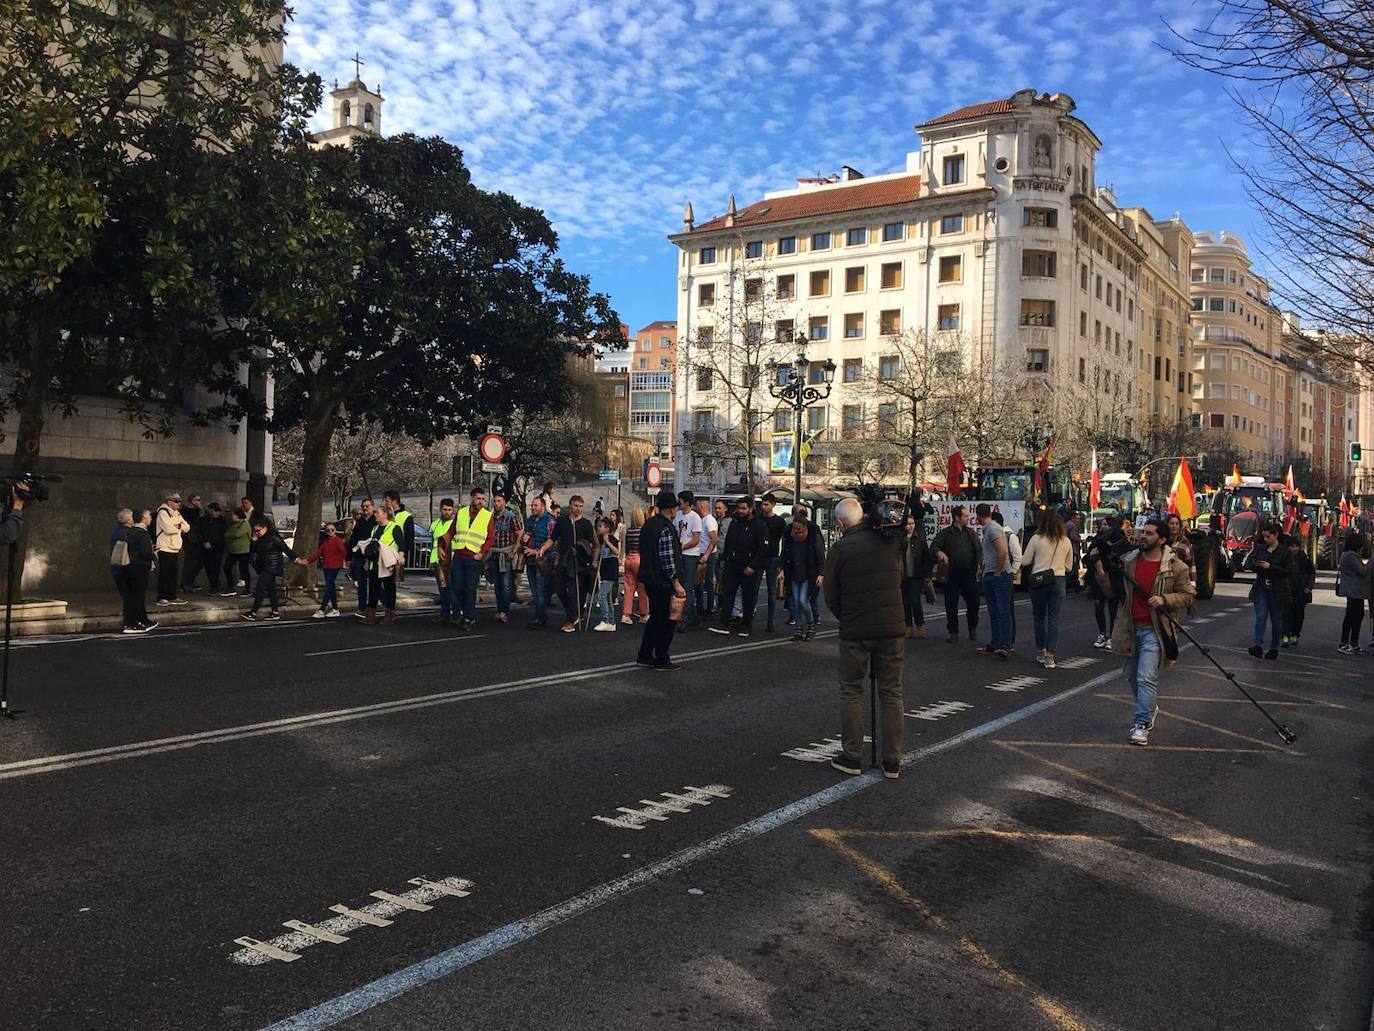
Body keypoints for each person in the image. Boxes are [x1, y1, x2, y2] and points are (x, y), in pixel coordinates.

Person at [1093, 516, 1196, 745]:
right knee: (1131, 675)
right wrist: (1100, 571)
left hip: (1155, 630)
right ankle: (1149, 707)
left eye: (1149, 533)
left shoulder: (1174, 566)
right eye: (1143, 532)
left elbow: (1188, 596)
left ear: (1161, 539)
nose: (1143, 536)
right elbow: (1112, 592)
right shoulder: (1128, 561)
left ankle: (1141, 724)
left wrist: (1164, 599)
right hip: (1129, 628)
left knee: (1146, 676)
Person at [823, 497, 906, 780]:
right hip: (891, 627)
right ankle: (892, 760)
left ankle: (852, 755)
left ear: (839, 523)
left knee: (851, 690)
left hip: (856, 628)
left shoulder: (840, 548)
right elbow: (900, 577)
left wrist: (846, 616)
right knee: (891, 691)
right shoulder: (889, 542)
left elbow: (831, 595)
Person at [635, 490, 686, 670]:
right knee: (667, 621)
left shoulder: (648, 525)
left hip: (649, 578)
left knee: (655, 619)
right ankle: (662, 657)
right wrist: (677, 583)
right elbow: (667, 559)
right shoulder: (665, 528)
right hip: (663, 582)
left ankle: (645, 654)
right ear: (671, 509)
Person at [709, 495, 769, 638]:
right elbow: (729, 542)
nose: (741, 511)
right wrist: (726, 559)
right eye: (739, 508)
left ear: (751, 509)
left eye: (744, 508)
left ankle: (746, 625)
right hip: (733, 565)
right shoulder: (735, 523)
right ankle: (724, 622)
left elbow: (763, 549)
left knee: (748, 597)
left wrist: (753, 566)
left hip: (749, 567)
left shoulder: (759, 525)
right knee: (728, 593)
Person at [1022, 508, 1074, 669]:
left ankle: (1040, 650)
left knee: (1039, 617)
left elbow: (1024, 561)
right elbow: (1069, 567)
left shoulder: (1036, 539)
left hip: (1039, 580)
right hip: (1058, 580)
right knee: (1054, 619)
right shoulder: (1065, 541)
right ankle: (1050, 656)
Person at [932, 505, 980, 642]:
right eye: (965, 516)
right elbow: (934, 546)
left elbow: (978, 550)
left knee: (974, 602)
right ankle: (953, 632)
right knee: (951, 604)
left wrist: (978, 565)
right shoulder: (946, 533)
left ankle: (972, 629)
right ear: (957, 518)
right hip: (952, 574)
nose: (968, 518)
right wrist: (939, 552)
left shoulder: (970, 533)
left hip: (968, 574)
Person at [451, 487, 494, 630]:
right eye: (478, 498)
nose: (481, 501)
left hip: (474, 557)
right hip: (459, 555)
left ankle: (468, 617)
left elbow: (490, 538)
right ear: (472, 498)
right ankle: (464, 613)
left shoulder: (487, 515)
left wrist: (481, 553)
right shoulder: (461, 512)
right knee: (457, 587)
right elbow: (452, 531)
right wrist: (441, 545)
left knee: (470, 589)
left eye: (483, 499)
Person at [781, 505, 824, 641]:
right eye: (794, 529)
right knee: (794, 602)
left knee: (803, 600)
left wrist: (821, 574)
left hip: (808, 573)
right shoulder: (789, 535)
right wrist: (781, 569)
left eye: (799, 529)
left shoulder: (812, 536)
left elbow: (820, 556)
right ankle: (799, 628)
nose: (796, 532)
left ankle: (810, 625)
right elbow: (784, 553)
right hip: (793, 571)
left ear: (805, 527)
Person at [1247, 522, 1289, 660]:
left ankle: (1274, 648)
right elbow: (1250, 563)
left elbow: (1288, 571)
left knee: (1276, 621)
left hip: (1277, 589)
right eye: (1264, 537)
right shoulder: (1261, 549)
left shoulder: (1284, 551)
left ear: (1276, 535)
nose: (1266, 540)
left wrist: (1270, 567)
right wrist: (1256, 565)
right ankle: (1258, 646)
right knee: (1261, 616)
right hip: (1262, 587)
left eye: (1268, 537)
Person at [553, 495, 594, 633]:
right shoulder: (561, 521)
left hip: (579, 562)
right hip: (564, 560)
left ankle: (570, 620)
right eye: (576, 506)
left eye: (581, 506)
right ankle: (574, 613)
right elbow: (554, 539)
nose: (578, 509)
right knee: (558, 587)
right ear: (570, 505)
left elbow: (593, 544)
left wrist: (592, 560)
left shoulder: (586, 524)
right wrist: (541, 549)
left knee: (574, 591)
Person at [242, 516, 295, 621]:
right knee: (271, 590)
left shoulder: (273, 536)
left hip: (271, 567)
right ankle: (275, 612)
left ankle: (253, 613)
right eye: (254, 531)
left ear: (265, 527)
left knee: (260, 589)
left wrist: (296, 558)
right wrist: (254, 540)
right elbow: (253, 551)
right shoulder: (261, 538)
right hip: (265, 566)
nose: (256, 533)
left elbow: (285, 548)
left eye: (258, 530)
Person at [975, 504, 1011, 658]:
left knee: (1001, 610)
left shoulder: (993, 528)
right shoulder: (989, 529)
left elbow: (1002, 551)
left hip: (998, 574)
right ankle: (996, 643)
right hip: (991, 573)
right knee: (995, 611)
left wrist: (998, 570)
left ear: (978, 516)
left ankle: (1004, 644)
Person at [360, 505, 404, 624]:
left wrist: (401, 556)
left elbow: (401, 544)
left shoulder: (394, 527)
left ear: (384, 514)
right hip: (374, 563)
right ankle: (370, 615)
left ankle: (389, 614)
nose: (375, 515)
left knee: (389, 589)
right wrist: (367, 561)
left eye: (377, 513)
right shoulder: (374, 528)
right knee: (373, 589)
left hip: (387, 564)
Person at [296, 521, 347, 618]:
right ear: (326, 532)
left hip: (335, 566)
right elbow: (318, 553)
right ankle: (335, 609)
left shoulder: (338, 541)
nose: (330, 532)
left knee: (328, 587)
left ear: (335, 530)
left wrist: (346, 560)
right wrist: (308, 561)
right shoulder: (325, 542)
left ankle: (322, 609)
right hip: (327, 566)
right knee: (330, 587)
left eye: (332, 530)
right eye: (328, 530)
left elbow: (343, 552)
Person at [121, 510, 157, 634]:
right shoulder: (142, 533)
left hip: (130, 566)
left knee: (133, 595)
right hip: (140, 566)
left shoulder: (130, 531)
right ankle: (131, 623)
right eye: (149, 517)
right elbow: (145, 552)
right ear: (143, 518)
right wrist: (153, 554)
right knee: (137, 595)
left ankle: (141, 620)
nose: (151, 519)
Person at [1089, 515, 1123, 649]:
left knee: (1113, 606)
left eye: (1106, 525)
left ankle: (1112, 635)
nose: (1103, 527)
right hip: (1098, 576)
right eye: (1102, 524)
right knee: (1098, 605)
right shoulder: (1098, 539)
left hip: (1114, 576)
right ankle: (1102, 633)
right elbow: (1088, 556)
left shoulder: (1119, 539)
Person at [522, 496, 555, 628]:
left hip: (543, 559)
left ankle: (540, 618)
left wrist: (537, 550)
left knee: (541, 589)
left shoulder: (549, 520)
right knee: (535, 590)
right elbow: (526, 536)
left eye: (536, 505)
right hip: (529, 559)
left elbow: (553, 540)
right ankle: (540, 614)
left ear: (542, 506)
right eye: (532, 505)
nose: (533, 508)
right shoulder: (530, 520)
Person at [489, 492, 523, 623]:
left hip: (506, 554)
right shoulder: (491, 518)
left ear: (504, 502)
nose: (496, 503)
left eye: (499, 501)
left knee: (506, 584)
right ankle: (499, 609)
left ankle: (504, 611)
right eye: (495, 501)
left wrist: (513, 551)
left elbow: (519, 534)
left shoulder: (511, 517)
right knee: (497, 585)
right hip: (494, 554)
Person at [990, 510, 1021, 649]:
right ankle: (999, 639)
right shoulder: (993, 535)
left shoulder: (1010, 536)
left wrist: (1012, 572)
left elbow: (1017, 557)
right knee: (997, 609)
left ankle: (1008, 641)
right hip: (995, 575)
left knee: (1006, 609)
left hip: (1005, 575)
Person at [673, 490, 703, 629]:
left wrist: (683, 546)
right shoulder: (678, 515)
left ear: (686, 502)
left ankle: (684, 618)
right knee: (680, 584)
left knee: (688, 586)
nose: (678, 503)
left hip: (691, 554)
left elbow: (696, 539)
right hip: (680, 553)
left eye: (680, 501)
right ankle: (692, 615)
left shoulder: (695, 517)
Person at [154, 492, 190, 606]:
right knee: (164, 573)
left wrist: (177, 526)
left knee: (173, 573)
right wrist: (179, 526)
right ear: (169, 501)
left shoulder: (177, 513)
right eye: (176, 501)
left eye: (179, 501)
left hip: (175, 547)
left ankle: (172, 595)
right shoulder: (163, 512)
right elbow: (169, 529)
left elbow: (187, 527)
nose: (179, 503)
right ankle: (162, 596)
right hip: (165, 547)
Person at [1337, 532, 1370, 653]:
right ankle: (1345, 643)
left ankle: (1353, 643)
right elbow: (1363, 571)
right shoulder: (1350, 556)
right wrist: (1371, 562)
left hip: (1355, 591)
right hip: (1353, 591)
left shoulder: (1348, 555)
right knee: (1352, 617)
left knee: (1356, 616)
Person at [759, 494, 788, 632]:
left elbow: (784, 540)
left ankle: (770, 620)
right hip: (759, 557)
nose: (763, 507)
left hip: (772, 557)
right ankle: (749, 615)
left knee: (771, 591)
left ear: (773, 505)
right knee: (752, 589)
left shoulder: (779, 522)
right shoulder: (758, 519)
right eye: (762, 504)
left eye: (766, 504)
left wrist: (781, 561)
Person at [900, 512, 931, 639]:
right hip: (903, 575)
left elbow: (927, 558)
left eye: (912, 524)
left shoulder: (920, 539)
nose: (911, 526)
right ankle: (908, 626)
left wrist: (926, 573)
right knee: (905, 602)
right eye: (908, 524)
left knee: (914, 600)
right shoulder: (900, 539)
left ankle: (920, 625)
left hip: (916, 575)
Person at [1282, 532, 1315, 648]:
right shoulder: (1283, 558)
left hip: (1301, 591)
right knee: (1286, 614)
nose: (1294, 549)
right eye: (1291, 546)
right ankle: (1285, 635)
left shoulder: (1304, 559)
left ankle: (1295, 634)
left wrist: (1308, 587)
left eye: (1296, 546)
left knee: (1298, 615)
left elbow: (1311, 574)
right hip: (1286, 590)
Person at [429, 499, 458, 624]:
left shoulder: (455, 525)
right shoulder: (435, 524)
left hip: (449, 561)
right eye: (445, 509)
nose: (447, 512)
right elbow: (433, 543)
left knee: (451, 589)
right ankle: (445, 612)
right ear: (441, 509)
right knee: (442, 589)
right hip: (437, 561)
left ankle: (456, 613)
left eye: (449, 510)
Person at [620, 506, 649, 625]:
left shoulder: (629, 531)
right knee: (642, 588)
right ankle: (643, 614)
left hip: (629, 559)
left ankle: (626, 615)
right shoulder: (643, 531)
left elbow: (626, 547)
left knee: (629, 588)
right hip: (640, 559)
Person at [348, 498, 377, 616]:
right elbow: (353, 538)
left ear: (373, 507)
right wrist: (349, 556)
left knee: (374, 583)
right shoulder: (360, 521)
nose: (365, 508)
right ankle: (362, 607)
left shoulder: (375, 520)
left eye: (367, 506)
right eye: (363, 506)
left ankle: (378, 604)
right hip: (359, 555)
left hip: (372, 556)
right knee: (361, 583)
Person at [592, 517, 620, 631]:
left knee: (602, 595)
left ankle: (606, 619)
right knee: (607, 597)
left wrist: (608, 541)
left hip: (611, 571)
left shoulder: (612, 539)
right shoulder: (600, 541)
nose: (599, 528)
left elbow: (617, 552)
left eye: (601, 526)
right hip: (604, 571)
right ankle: (611, 622)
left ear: (607, 529)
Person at [110, 509, 134, 625]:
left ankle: (129, 621)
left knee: (127, 596)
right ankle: (129, 622)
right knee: (130, 597)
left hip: (117, 569)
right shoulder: (128, 533)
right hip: (125, 568)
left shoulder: (116, 532)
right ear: (129, 520)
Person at [696, 498, 719, 619]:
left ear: (702, 507)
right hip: (702, 553)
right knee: (699, 582)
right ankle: (701, 607)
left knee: (708, 582)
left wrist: (706, 554)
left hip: (708, 555)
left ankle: (710, 608)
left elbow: (714, 539)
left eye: (697, 507)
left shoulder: (709, 520)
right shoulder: (703, 520)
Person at [178, 494, 207, 591]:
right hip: (190, 539)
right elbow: (197, 522)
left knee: (197, 561)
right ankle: (185, 583)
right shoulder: (186, 511)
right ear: (192, 501)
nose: (199, 502)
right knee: (189, 562)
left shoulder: (197, 510)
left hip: (197, 539)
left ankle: (190, 580)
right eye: (197, 500)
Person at [199, 502, 227, 595]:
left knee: (215, 567)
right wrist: (205, 541)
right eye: (215, 511)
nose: (217, 513)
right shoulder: (204, 520)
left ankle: (215, 586)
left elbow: (220, 534)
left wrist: (211, 543)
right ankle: (214, 585)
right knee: (208, 567)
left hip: (217, 547)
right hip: (205, 547)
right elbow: (202, 531)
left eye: (218, 512)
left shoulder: (222, 521)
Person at [223, 509, 252, 596]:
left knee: (244, 570)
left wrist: (229, 534)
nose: (231, 516)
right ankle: (230, 587)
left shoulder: (244, 523)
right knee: (226, 567)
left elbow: (236, 534)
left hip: (243, 550)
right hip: (233, 551)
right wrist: (228, 535)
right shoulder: (232, 524)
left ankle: (248, 589)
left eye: (233, 514)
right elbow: (227, 534)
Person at [1064, 512, 1083, 592]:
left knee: (1073, 568)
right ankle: (1069, 584)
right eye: (1077, 518)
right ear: (1073, 518)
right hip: (1073, 549)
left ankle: (1075, 584)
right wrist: (1080, 540)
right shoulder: (1072, 525)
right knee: (1072, 568)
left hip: (1068, 549)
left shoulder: (1067, 524)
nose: (1078, 520)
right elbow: (1073, 536)